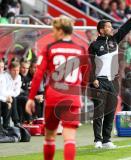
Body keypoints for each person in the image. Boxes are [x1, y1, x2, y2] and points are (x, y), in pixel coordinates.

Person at [25, 15, 88, 160]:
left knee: (49, 137)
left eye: (54, 29)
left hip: (54, 97)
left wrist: (30, 98)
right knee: (70, 138)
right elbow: (86, 76)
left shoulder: (49, 48)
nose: (52, 33)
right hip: (72, 97)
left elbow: (38, 74)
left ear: (60, 30)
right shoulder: (80, 49)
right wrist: (81, 94)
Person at [89, 4, 131, 149]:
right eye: (108, 27)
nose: (111, 28)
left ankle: (107, 140)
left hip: (113, 81)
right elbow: (90, 64)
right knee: (99, 111)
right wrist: (93, 80)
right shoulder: (94, 45)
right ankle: (97, 139)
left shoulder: (114, 40)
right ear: (101, 30)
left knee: (110, 111)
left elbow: (127, 27)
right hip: (100, 81)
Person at [0, 59, 22, 129]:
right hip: (3, 98)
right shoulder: (4, 76)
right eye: (14, 70)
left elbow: (17, 92)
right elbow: (2, 91)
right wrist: (6, 99)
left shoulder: (2, 76)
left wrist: (8, 98)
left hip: (4, 98)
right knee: (10, 101)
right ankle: (15, 122)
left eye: (2, 67)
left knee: (12, 100)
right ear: (10, 70)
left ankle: (7, 126)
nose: (16, 73)